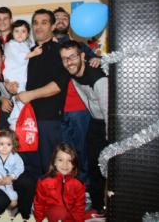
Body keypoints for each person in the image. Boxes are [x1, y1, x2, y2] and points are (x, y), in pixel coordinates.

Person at [15, 9, 69, 178]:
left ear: (53, 26)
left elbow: (58, 85)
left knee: (50, 168)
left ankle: (53, 203)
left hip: (48, 120)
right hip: (27, 120)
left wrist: (30, 95)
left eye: (44, 22)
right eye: (36, 22)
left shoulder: (59, 51)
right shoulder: (28, 52)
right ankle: (35, 203)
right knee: (29, 168)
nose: (38, 26)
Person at [53, 6, 101, 187]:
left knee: (82, 152)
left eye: (64, 17)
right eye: (56, 17)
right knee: (64, 154)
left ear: (70, 23)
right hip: (57, 112)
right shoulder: (47, 47)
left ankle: (85, 189)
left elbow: (97, 62)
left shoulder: (79, 47)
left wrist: (99, 59)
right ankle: (68, 188)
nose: (60, 20)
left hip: (79, 110)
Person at [60, 40, 108, 215]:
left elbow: (108, 110)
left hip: (107, 122)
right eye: (65, 59)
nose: (69, 62)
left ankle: (107, 205)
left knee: (106, 165)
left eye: (72, 57)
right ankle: (97, 206)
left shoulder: (98, 78)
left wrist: (111, 140)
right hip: (95, 121)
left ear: (82, 56)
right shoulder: (74, 76)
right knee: (93, 163)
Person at [3, 20, 41, 129]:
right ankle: (14, 124)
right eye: (17, 31)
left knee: (21, 101)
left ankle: (17, 121)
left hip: (22, 77)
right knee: (21, 101)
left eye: (23, 31)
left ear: (28, 34)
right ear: (12, 32)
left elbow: (33, 46)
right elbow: (20, 56)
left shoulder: (25, 44)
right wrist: (34, 53)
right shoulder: (10, 44)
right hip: (15, 78)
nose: (20, 34)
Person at [33, 144, 85, 222]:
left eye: (69, 161)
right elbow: (39, 206)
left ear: (74, 164)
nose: (65, 164)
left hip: (69, 218)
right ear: (54, 162)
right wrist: (39, 220)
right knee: (59, 211)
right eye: (60, 160)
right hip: (51, 217)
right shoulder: (44, 182)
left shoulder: (78, 184)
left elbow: (79, 208)